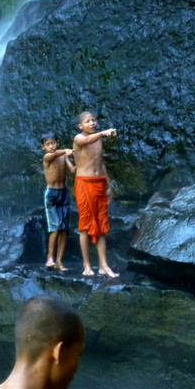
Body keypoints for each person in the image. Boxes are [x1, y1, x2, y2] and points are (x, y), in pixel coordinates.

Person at [73, 111, 119, 278]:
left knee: (101, 225)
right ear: (80, 125)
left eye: (94, 120)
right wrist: (103, 133)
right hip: (84, 184)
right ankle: (86, 265)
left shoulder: (98, 139)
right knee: (85, 226)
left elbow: (100, 162)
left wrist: (108, 185)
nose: (92, 123)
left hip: (99, 183)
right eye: (87, 121)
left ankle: (103, 265)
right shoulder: (79, 138)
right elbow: (86, 140)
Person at [40, 134, 75, 272]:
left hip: (64, 193)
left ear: (57, 143)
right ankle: (50, 257)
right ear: (43, 147)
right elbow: (56, 154)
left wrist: (82, 164)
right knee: (55, 226)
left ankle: (59, 261)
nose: (51, 146)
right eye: (48, 144)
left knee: (64, 229)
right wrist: (67, 149)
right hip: (52, 195)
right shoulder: (47, 157)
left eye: (53, 143)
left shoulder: (63, 156)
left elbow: (72, 170)